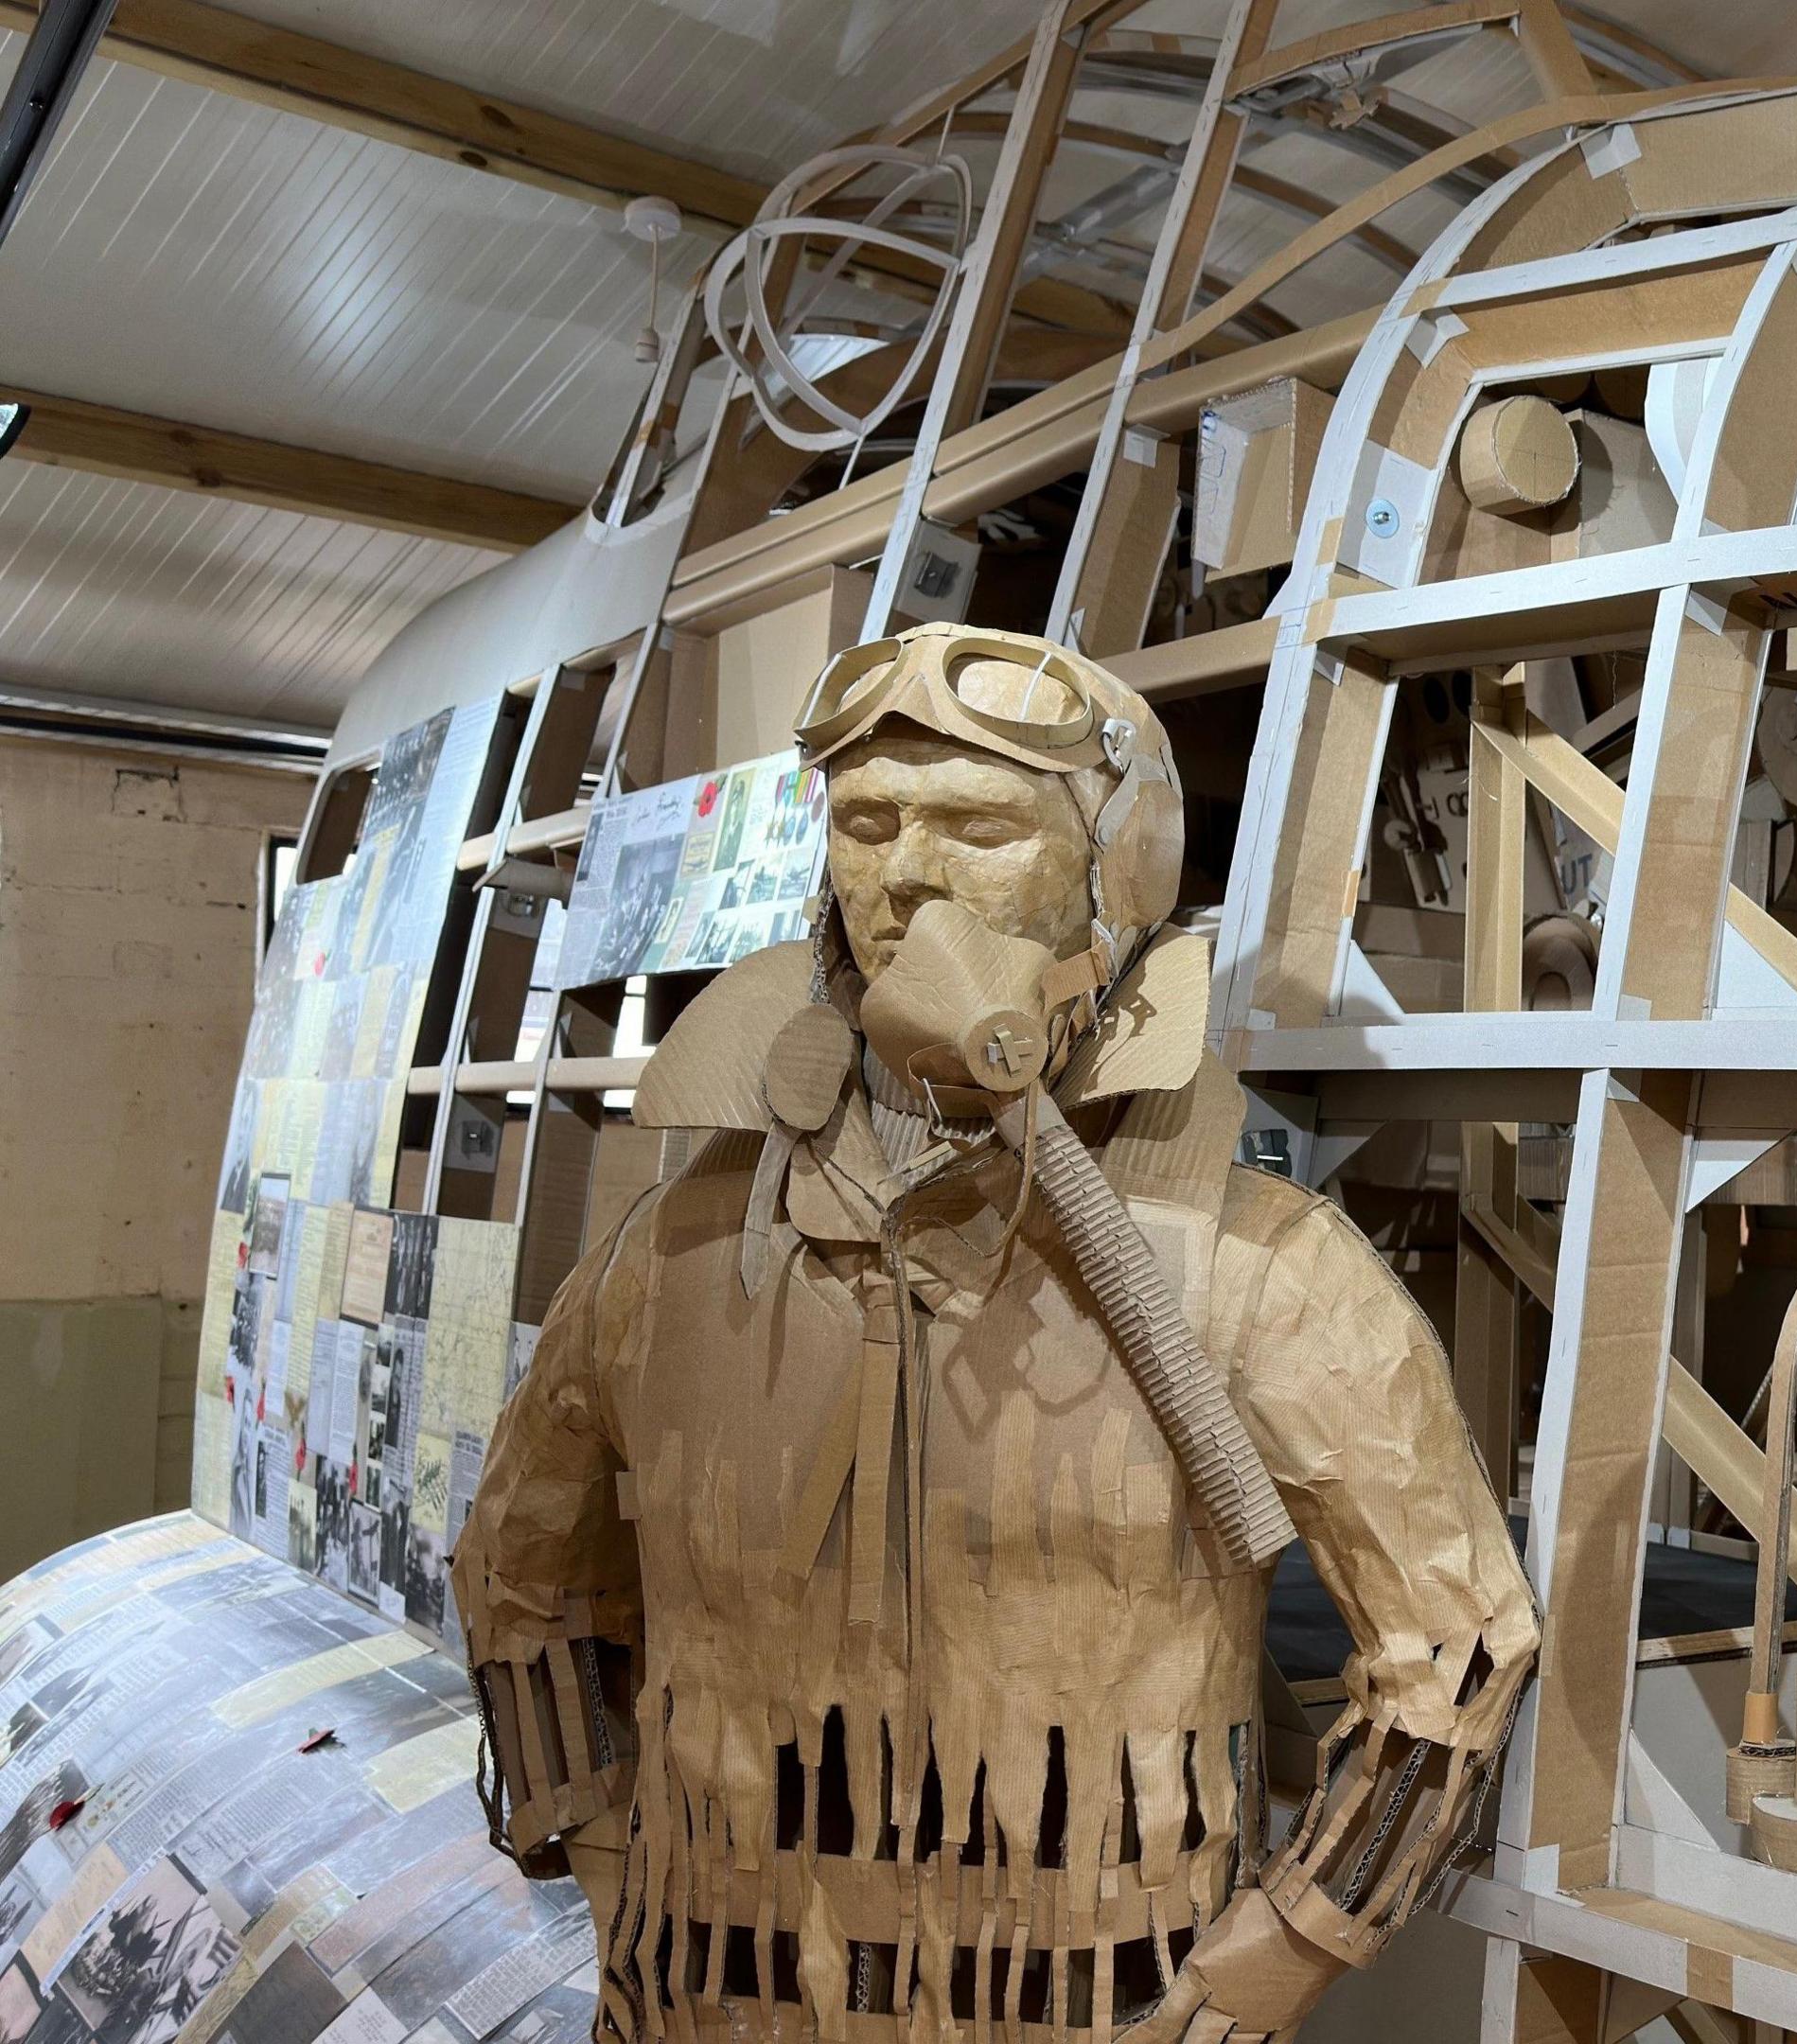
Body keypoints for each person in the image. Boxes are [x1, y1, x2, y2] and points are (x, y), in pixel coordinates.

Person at [454, 624, 1537, 2044]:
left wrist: (1276, 1958)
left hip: (1092, 2001)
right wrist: (606, 1851)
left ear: (1118, 867)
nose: (905, 873)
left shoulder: (1252, 1271)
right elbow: (520, 1573)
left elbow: (1457, 1642)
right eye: (866, 822)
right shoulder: (671, 1259)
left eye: (975, 825)